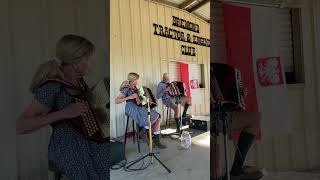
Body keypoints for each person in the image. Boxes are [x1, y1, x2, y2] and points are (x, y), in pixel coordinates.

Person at [16, 34, 110, 180]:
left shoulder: (79, 83)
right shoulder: (53, 86)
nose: (90, 64)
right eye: (87, 59)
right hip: (68, 147)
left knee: (107, 158)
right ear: (76, 62)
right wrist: (64, 113)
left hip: (88, 140)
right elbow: (21, 125)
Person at [211, 66, 263, 180]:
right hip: (213, 118)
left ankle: (236, 171)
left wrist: (239, 96)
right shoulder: (209, 72)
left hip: (219, 116)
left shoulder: (212, 70)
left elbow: (226, 102)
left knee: (255, 117)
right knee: (255, 118)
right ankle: (234, 172)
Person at [115, 72, 166, 149]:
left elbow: (139, 101)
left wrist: (147, 100)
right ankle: (144, 131)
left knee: (158, 117)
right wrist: (130, 97)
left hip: (139, 107)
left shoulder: (135, 88)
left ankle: (155, 139)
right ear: (132, 79)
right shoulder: (126, 88)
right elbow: (117, 101)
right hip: (131, 107)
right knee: (155, 116)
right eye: (136, 80)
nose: (137, 81)